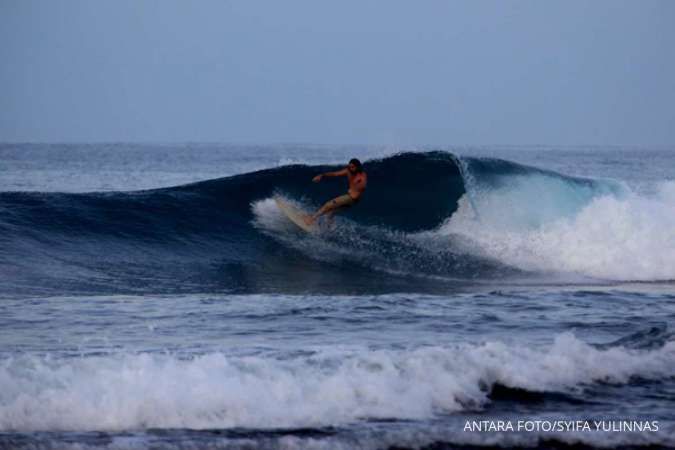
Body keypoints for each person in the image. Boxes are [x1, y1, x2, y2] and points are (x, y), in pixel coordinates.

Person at [306, 158, 367, 225]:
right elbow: (335, 174)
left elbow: (363, 186)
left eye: (353, 167)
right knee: (330, 213)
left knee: (328, 205)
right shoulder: (348, 171)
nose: (351, 168)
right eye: (350, 167)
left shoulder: (362, 175)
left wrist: (358, 184)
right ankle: (328, 230)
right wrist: (322, 175)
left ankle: (311, 219)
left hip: (351, 198)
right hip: (352, 200)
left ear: (357, 167)